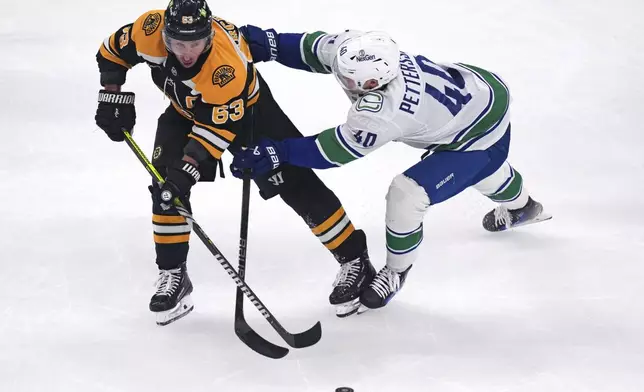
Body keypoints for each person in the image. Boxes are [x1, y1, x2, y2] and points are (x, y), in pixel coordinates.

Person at [232, 27, 552, 312]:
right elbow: (317, 49)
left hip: (475, 135)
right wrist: (271, 44)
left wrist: (281, 151)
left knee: (407, 194)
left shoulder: (383, 110)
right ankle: (524, 207)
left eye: (350, 82)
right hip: (482, 92)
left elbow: (334, 151)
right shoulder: (361, 50)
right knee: (481, 169)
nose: (343, 82)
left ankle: (397, 271)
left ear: (373, 84)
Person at [94, 1, 374, 325]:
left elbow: (216, 129)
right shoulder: (149, 30)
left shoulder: (225, 69)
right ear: (166, 35)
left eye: (195, 44)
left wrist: (188, 169)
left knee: (295, 183)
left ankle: (355, 258)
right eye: (179, 44)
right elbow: (112, 51)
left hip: (249, 115)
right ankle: (173, 274)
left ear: (209, 36)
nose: (186, 53)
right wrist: (111, 95)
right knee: (165, 188)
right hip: (186, 110)